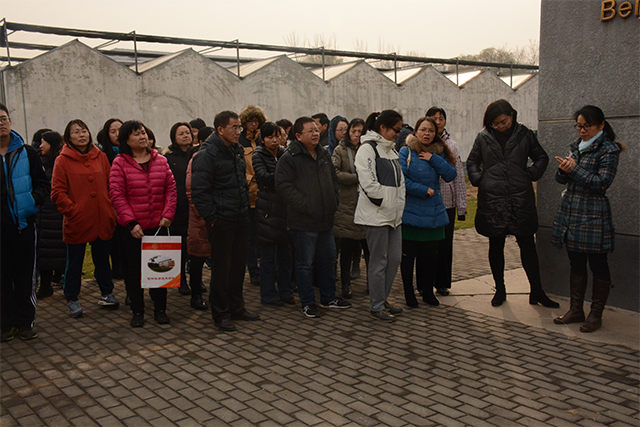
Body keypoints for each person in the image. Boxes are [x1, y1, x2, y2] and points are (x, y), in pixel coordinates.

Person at [467, 99, 559, 308]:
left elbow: (541, 157)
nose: (500, 126)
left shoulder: (524, 134)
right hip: (493, 198)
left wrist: (531, 173)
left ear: (512, 115)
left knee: (527, 245)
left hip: (520, 198)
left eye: (503, 121)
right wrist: (479, 178)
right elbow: (472, 161)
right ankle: (500, 289)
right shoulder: (483, 137)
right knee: (496, 245)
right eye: (495, 123)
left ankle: (537, 291)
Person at [551, 105, 625, 332]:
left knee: (598, 264)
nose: (582, 131)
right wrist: (563, 169)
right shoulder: (576, 147)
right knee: (576, 263)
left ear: (601, 125)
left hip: (594, 215)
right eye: (579, 126)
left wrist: (573, 170)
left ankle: (595, 314)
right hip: (571, 213)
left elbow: (601, 183)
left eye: (587, 126)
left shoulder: (608, 150)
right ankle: (576, 310)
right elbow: (561, 179)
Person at [275, 117, 351, 318]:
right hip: (303, 222)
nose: (316, 133)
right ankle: (308, 302)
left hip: (326, 219)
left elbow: (333, 179)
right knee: (305, 264)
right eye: (310, 131)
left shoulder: (323, 154)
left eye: (317, 130)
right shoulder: (290, 158)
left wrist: (333, 199)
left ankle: (328, 298)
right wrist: (305, 205)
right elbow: (283, 186)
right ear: (298, 136)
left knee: (328, 260)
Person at [191, 111, 260, 332]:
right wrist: (213, 219)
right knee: (221, 269)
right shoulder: (207, 154)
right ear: (220, 130)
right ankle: (221, 313)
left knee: (238, 266)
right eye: (234, 127)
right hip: (221, 220)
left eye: (240, 127)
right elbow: (199, 192)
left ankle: (236, 307)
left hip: (240, 216)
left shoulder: (235, 150)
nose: (239, 131)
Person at [110, 120, 177, 327]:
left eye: (143, 133)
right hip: (133, 229)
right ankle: (137, 311)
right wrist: (131, 223)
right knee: (134, 271)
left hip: (158, 226)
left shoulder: (161, 161)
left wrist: (168, 214)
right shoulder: (119, 163)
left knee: (159, 269)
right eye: (136, 134)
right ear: (126, 140)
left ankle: (160, 309)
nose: (142, 137)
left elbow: (171, 189)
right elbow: (117, 195)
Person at [51, 119, 120, 318]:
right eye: (76, 132)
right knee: (74, 263)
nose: (81, 135)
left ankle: (107, 293)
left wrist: (109, 207)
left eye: (84, 131)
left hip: (102, 218)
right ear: (68, 137)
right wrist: (74, 210)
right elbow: (57, 192)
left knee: (102, 260)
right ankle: (72, 298)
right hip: (78, 220)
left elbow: (111, 184)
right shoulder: (62, 160)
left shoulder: (100, 156)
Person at [0, 104, 49, 342]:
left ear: (10, 121)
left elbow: (43, 184)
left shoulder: (26, 152)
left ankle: (25, 322)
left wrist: (32, 200)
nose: (1, 123)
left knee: (25, 275)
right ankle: (6, 323)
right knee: (2, 277)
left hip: (23, 224)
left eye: (3, 118)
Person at [399, 117, 457, 308]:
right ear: (415, 131)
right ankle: (409, 293)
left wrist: (433, 158)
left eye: (431, 130)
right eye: (423, 129)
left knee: (430, 257)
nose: (427, 133)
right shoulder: (406, 151)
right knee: (409, 258)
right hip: (411, 212)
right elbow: (402, 180)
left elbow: (451, 174)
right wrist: (423, 190)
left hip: (433, 214)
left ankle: (428, 292)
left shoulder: (439, 152)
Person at [354, 111, 406, 322]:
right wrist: (385, 203)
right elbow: (368, 182)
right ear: (382, 128)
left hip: (394, 217)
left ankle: (382, 299)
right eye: (396, 130)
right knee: (379, 262)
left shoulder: (392, 150)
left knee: (394, 259)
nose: (398, 134)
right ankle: (376, 306)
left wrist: (398, 205)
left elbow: (400, 182)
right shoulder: (367, 149)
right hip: (375, 216)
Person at [426, 107, 467, 297]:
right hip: (427, 201)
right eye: (434, 118)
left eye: (441, 118)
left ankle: (442, 282)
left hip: (447, 203)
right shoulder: (421, 144)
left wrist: (461, 206)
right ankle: (425, 283)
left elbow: (458, 176)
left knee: (445, 245)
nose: (438, 122)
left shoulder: (452, 145)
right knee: (427, 246)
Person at [253, 122, 294, 306]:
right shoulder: (258, 155)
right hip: (267, 211)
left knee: (286, 256)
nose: (275, 140)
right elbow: (264, 178)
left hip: (285, 210)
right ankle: (268, 294)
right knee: (268, 257)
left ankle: (286, 292)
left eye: (278, 136)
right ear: (263, 139)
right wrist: (284, 177)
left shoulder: (285, 154)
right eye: (270, 137)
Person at [332, 118, 368, 299]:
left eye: (360, 132)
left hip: (367, 204)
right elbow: (334, 172)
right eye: (353, 131)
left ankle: (372, 283)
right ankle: (345, 284)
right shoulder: (340, 150)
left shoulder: (368, 149)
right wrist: (356, 178)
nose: (356, 135)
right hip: (346, 205)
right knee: (346, 248)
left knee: (368, 248)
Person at [184, 126, 215, 311]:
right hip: (200, 218)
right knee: (197, 258)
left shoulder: (219, 156)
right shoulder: (197, 159)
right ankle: (195, 295)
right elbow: (192, 191)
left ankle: (216, 295)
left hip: (217, 216)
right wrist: (204, 213)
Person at [33, 131, 66, 299]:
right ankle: (46, 285)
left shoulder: (59, 162)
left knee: (56, 251)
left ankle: (62, 284)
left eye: (43, 142)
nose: (40, 146)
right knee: (46, 252)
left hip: (55, 214)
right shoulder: (41, 162)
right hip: (44, 215)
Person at [239, 105, 267, 286]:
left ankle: (265, 269)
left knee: (263, 235)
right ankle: (253, 271)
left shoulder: (262, 139)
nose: (253, 124)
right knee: (249, 237)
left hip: (263, 195)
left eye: (256, 121)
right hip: (248, 195)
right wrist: (251, 179)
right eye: (250, 121)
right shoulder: (239, 141)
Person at [165, 122, 194, 296]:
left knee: (195, 247)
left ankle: (195, 279)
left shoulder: (197, 155)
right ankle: (180, 279)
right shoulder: (169, 159)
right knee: (180, 247)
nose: (185, 136)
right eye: (181, 133)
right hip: (178, 208)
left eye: (187, 132)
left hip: (195, 207)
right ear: (174, 138)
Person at [96, 118, 124, 280]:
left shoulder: (133, 152)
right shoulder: (102, 155)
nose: (117, 134)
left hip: (131, 202)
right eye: (113, 132)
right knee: (112, 238)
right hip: (109, 202)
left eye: (120, 130)